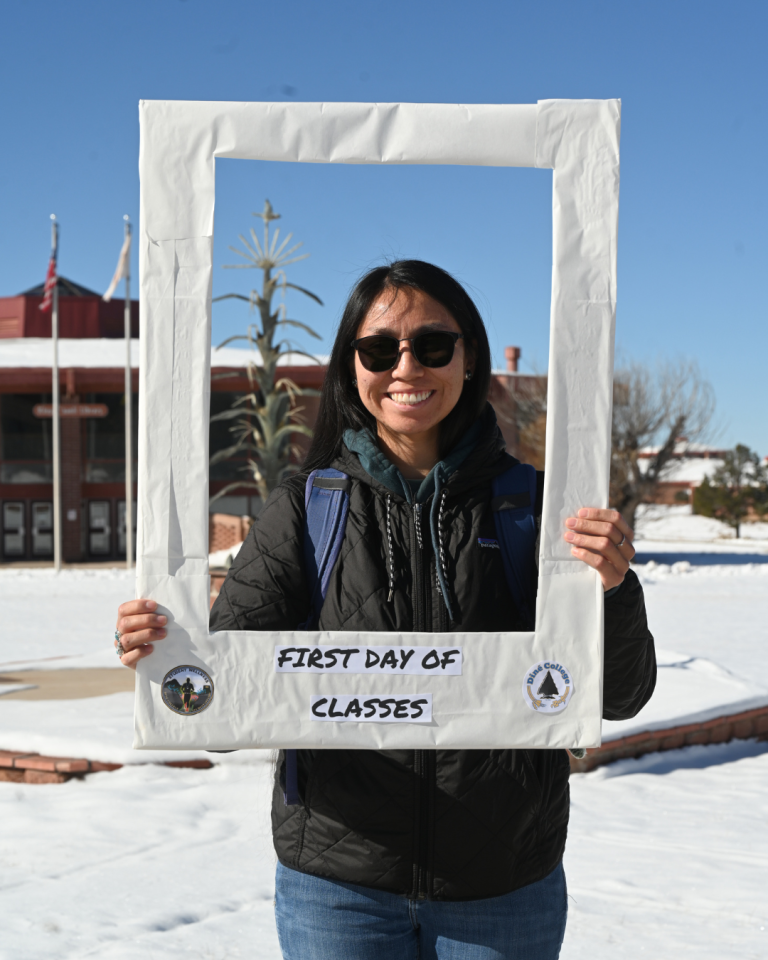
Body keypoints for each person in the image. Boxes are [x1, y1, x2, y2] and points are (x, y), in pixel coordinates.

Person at [115, 261, 656, 960]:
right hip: (339, 886)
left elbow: (619, 694)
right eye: (380, 349)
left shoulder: (541, 507)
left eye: (433, 345)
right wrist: (166, 654)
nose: (407, 366)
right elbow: (223, 706)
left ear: (468, 358)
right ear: (352, 366)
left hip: (502, 885)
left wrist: (614, 588)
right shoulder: (307, 508)